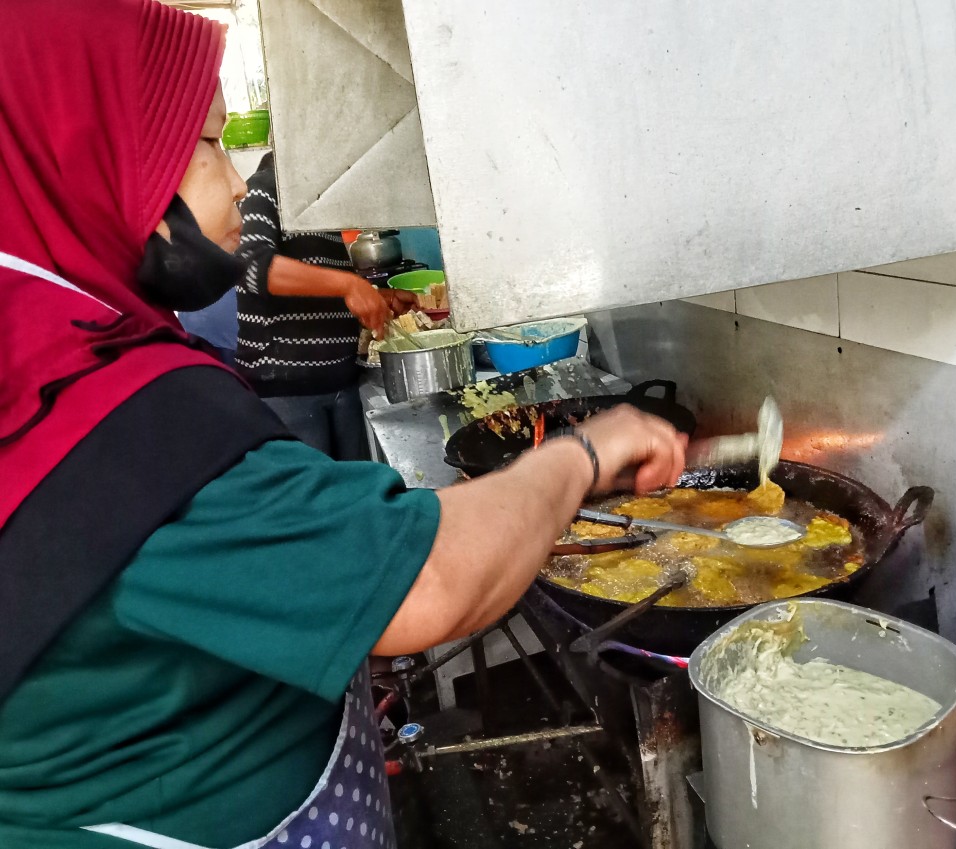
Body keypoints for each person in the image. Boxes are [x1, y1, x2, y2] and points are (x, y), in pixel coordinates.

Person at [0, 3, 686, 848]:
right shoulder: (83, 408)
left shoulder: (43, 362)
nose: (229, 169)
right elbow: (428, 585)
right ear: (96, 156)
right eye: (208, 143)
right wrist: (586, 450)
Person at [234, 151, 411, 460]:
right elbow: (253, 267)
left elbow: (321, 286)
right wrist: (350, 285)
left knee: (352, 496)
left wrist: (374, 298)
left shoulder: (317, 209)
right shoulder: (263, 190)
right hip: (287, 393)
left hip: (339, 383)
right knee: (315, 503)